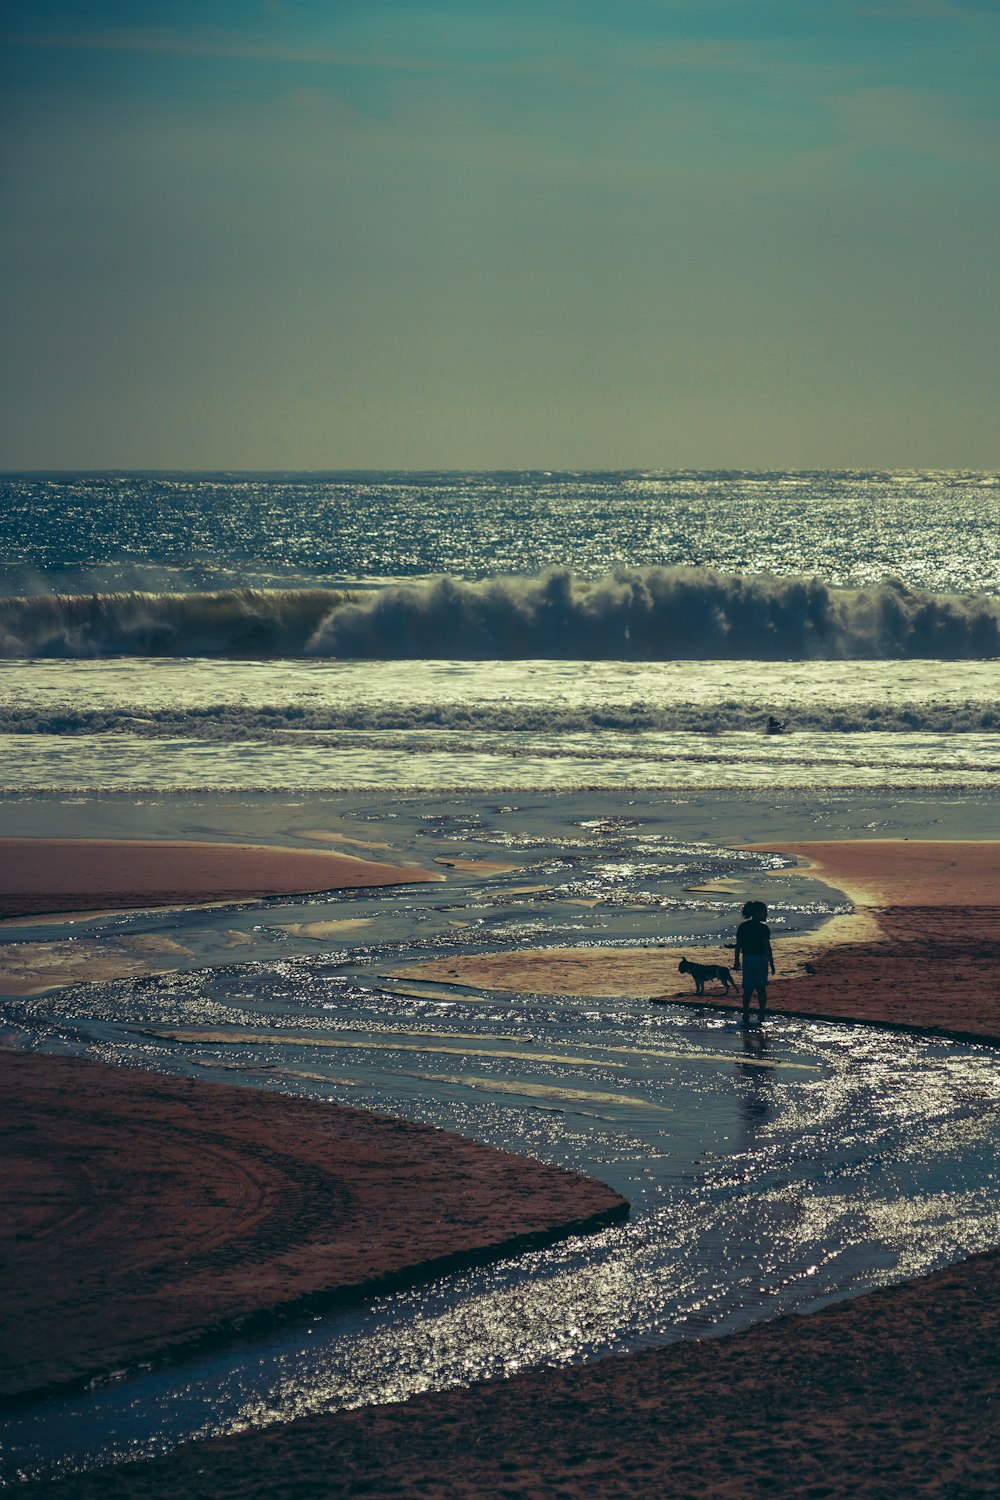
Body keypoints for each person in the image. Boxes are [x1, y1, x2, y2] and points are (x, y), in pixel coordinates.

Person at [733, 900, 775, 1026]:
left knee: (748, 988)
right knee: (761, 988)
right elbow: (767, 947)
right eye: (764, 912)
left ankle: (745, 1013)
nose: (766, 915)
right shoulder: (763, 928)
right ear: (757, 913)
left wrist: (736, 961)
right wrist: (771, 962)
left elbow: (738, 946)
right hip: (760, 959)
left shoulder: (743, 927)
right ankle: (761, 1013)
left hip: (747, 958)